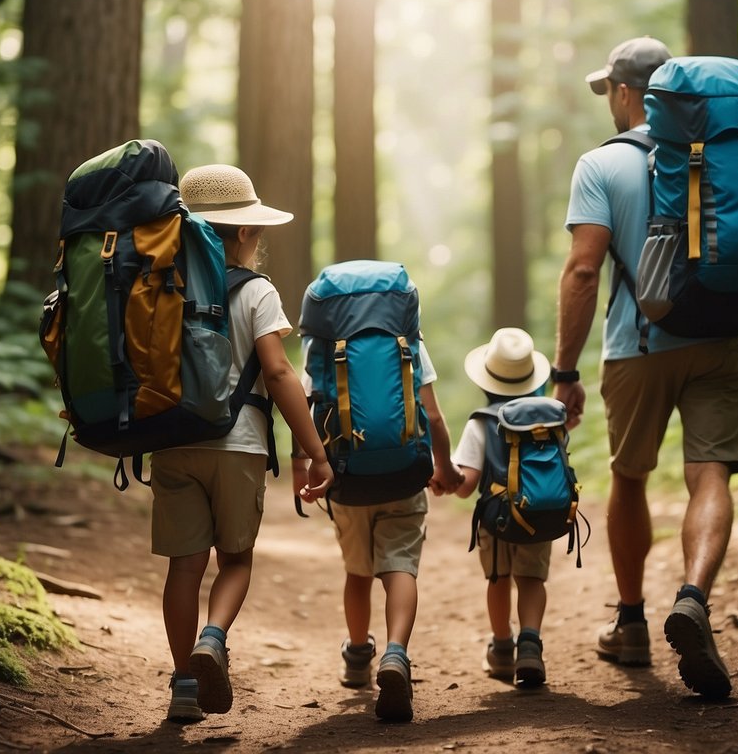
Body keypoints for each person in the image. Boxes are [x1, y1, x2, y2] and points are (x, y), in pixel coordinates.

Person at [552, 36, 738, 699]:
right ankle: (693, 595)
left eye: (608, 89)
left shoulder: (599, 165)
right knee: (709, 473)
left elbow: (582, 271)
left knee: (629, 477)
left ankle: (632, 624)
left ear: (627, 93)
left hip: (637, 348)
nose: (608, 100)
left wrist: (564, 372)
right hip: (727, 334)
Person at [152, 164, 334, 722]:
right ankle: (213, 638)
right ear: (247, 233)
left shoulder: (158, 283)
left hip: (173, 441)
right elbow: (279, 375)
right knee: (235, 561)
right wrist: (315, 451)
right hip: (240, 445)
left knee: (184, 567)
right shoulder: (258, 291)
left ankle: (184, 683)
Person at [293, 320, 462, 722]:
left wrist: (303, 467)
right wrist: (446, 467)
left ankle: (356, 654)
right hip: (404, 477)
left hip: (348, 479)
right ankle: (396, 653)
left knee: (357, 571)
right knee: (400, 564)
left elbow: (306, 407)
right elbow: (433, 417)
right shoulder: (408, 345)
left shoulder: (323, 347)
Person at [450, 327, 554, 689]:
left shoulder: (481, 421)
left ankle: (502, 647)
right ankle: (530, 645)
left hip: (496, 519)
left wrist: (443, 478)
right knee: (531, 579)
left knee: (498, 579)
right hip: (540, 514)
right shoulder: (549, 420)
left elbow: (465, 485)